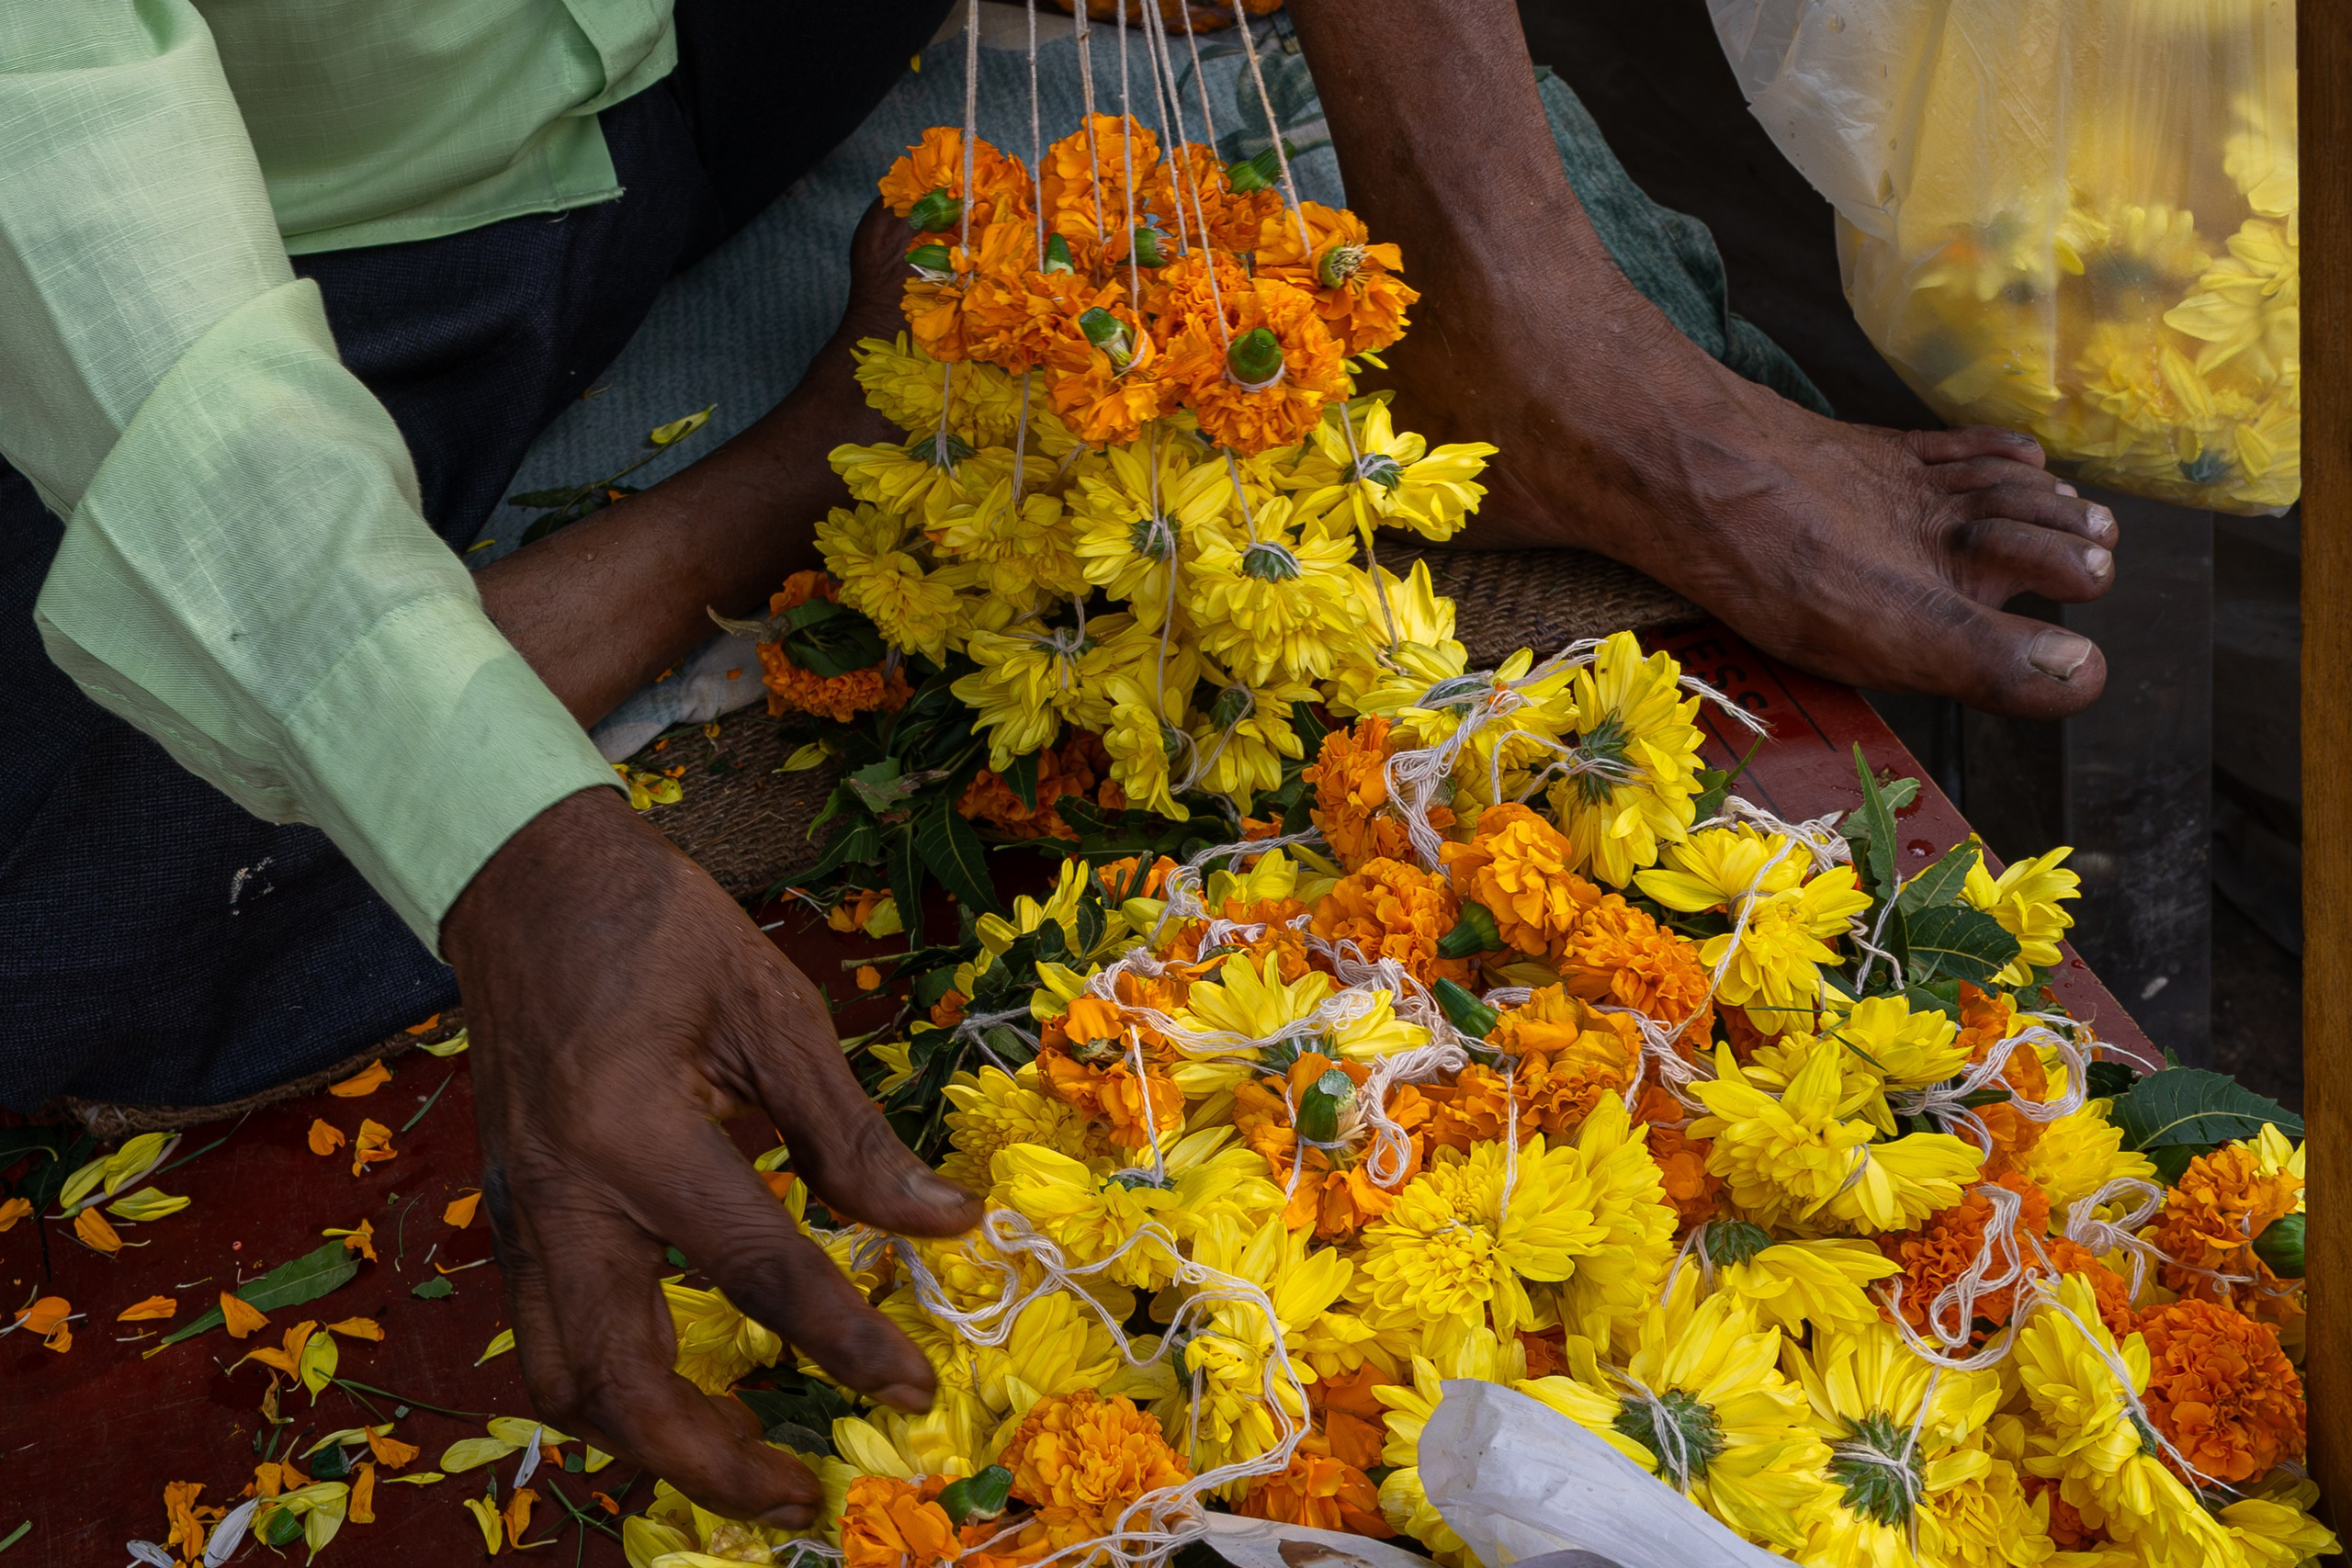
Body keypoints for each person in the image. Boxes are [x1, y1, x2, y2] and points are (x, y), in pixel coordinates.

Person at [0, 0, 2116, 1528]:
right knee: (149, 849)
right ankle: (796, 467)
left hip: (732, 48)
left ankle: (1523, 327)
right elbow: (72, 196)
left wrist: (1510, 268)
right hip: (306, 226)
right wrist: (509, 841)